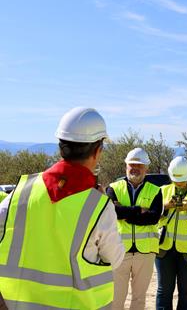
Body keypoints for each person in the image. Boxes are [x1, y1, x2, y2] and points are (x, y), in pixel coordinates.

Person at [0, 107, 125, 309]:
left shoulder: (20, 193)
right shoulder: (99, 206)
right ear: (97, 151)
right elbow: (116, 258)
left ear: (60, 146)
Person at [106, 147, 163, 310]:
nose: (135, 168)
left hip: (145, 253)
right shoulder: (114, 188)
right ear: (126, 166)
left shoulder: (156, 191)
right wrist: (138, 210)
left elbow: (152, 218)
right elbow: (112, 212)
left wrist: (124, 211)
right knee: (116, 298)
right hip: (119, 251)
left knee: (139, 299)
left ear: (146, 168)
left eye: (140, 165)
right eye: (132, 164)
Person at [155, 156, 187, 310]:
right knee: (164, 291)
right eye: (176, 179)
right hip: (164, 249)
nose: (179, 182)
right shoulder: (162, 191)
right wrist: (165, 207)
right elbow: (152, 217)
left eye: (182, 179)